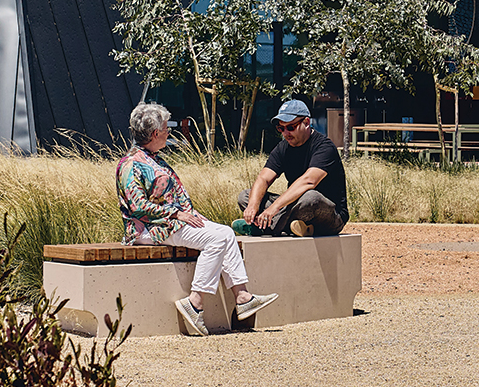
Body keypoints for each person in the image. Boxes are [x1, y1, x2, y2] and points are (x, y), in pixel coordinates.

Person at [116, 103, 277, 336]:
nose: (169, 132)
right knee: (216, 239)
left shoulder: (156, 160)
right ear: (155, 134)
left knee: (225, 232)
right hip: (150, 229)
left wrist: (194, 215)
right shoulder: (130, 164)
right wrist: (176, 214)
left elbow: (178, 196)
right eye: (165, 128)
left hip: (170, 223)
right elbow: (138, 206)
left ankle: (243, 297)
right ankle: (195, 301)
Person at [236, 100, 348, 238]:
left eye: (290, 127)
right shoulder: (283, 148)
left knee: (310, 197)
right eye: (280, 128)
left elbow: (309, 181)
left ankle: (264, 227)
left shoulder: (325, 147)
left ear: (306, 122)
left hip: (328, 214)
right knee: (246, 196)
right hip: (295, 209)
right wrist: (253, 206)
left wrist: (274, 208)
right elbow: (263, 178)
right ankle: (296, 227)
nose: (285, 133)